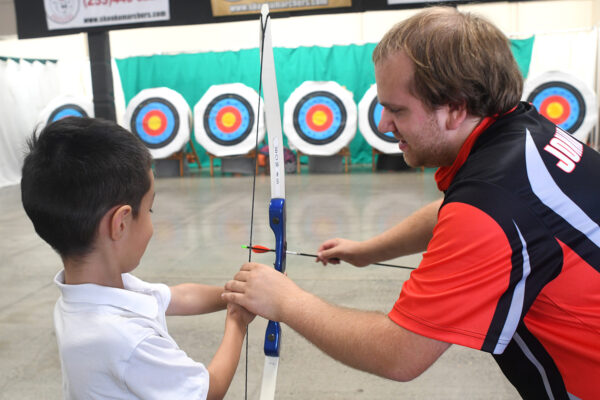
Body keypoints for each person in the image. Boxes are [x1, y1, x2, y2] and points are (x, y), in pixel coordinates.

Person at [223, 6, 600, 400]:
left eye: (397, 109)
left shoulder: (492, 204)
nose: (383, 124)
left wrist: (287, 301)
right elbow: (451, 213)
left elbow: (399, 353)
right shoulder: (524, 131)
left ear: (455, 108)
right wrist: (368, 251)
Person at [21, 117, 254, 400]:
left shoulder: (88, 293)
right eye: (149, 210)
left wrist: (237, 295)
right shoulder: (125, 339)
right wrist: (237, 322)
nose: (152, 224)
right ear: (120, 223)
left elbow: (178, 297)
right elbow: (207, 392)